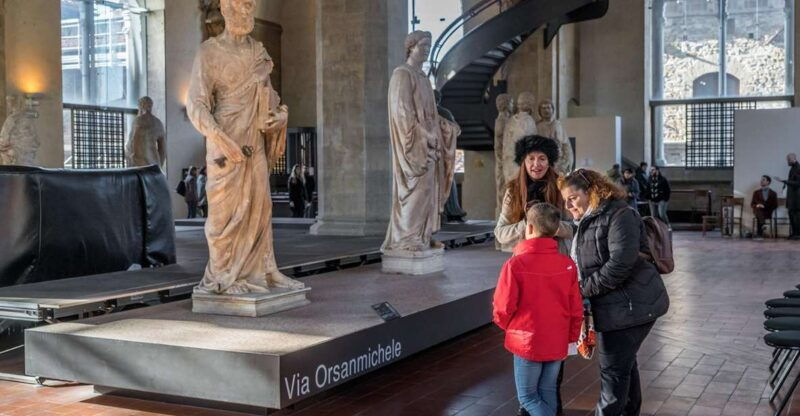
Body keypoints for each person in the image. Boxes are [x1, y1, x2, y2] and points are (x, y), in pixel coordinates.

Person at [559, 168, 669, 416]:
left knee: (613, 375)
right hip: (617, 304)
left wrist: (580, 290)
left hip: (630, 306)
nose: (568, 205)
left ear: (590, 191)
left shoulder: (620, 214)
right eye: (565, 200)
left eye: (572, 197)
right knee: (624, 367)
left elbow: (619, 265)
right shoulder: (589, 218)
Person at [493, 202, 583, 416]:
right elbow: (575, 308)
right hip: (557, 337)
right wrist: (570, 337)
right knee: (547, 390)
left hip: (526, 340)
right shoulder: (567, 265)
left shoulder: (515, 265)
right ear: (556, 230)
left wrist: (510, 327)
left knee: (528, 397)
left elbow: (502, 307)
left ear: (529, 228)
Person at [495, 135, 572, 253]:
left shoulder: (562, 188)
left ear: (549, 162)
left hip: (557, 257)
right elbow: (500, 233)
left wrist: (551, 224)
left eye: (542, 158)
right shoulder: (513, 191)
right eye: (531, 158)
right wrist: (527, 223)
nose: (536, 164)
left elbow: (577, 228)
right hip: (525, 259)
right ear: (523, 162)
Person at [775, 153, 800, 240]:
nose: (787, 162)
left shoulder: (798, 168)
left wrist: (784, 181)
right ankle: (794, 233)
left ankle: (797, 234)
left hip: (796, 198)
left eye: (789, 160)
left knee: (796, 217)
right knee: (792, 215)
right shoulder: (793, 168)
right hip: (792, 197)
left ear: (794, 159)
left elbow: (798, 183)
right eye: (787, 160)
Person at [751, 175, 778, 239]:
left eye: (763, 180)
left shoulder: (773, 193)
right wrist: (757, 205)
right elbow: (752, 204)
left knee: (759, 214)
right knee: (758, 210)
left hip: (767, 212)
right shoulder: (756, 192)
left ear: (768, 182)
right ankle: (763, 224)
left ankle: (759, 234)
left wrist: (765, 206)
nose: (761, 181)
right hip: (758, 210)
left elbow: (775, 205)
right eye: (761, 180)